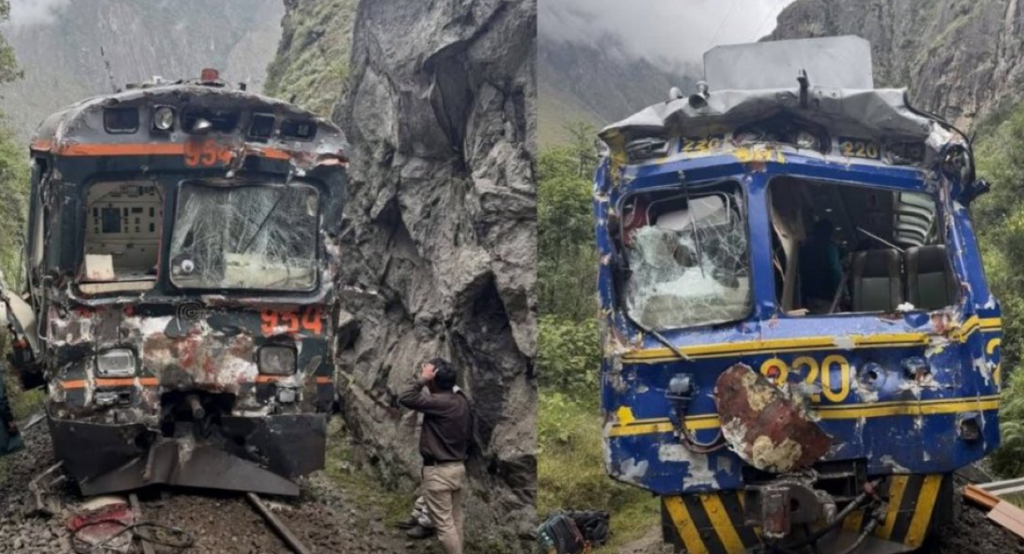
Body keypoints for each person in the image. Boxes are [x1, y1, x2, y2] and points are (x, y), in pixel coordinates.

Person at [398, 358, 472, 554]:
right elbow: (449, 386)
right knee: (456, 519)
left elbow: (406, 397)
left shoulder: (438, 402)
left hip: (439, 472)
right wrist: (436, 377)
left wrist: (423, 378)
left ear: (433, 380)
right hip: (457, 468)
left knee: (445, 526)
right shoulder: (461, 400)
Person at [799, 219, 843, 314]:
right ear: (830, 233)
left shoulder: (805, 249)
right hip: (826, 296)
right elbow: (835, 270)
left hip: (808, 296)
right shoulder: (830, 248)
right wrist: (841, 293)